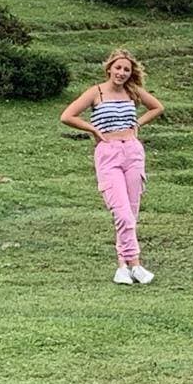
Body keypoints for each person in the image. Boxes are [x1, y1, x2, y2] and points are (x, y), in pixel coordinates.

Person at [60, 49, 164, 285]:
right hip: (108, 152)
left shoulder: (132, 91)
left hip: (133, 151)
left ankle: (124, 267)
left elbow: (157, 107)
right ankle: (134, 263)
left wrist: (138, 123)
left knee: (131, 211)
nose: (122, 73)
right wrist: (93, 129)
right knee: (122, 213)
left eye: (126, 69)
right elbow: (67, 116)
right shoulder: (95, 92)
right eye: (118, 68)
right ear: (109, 69)